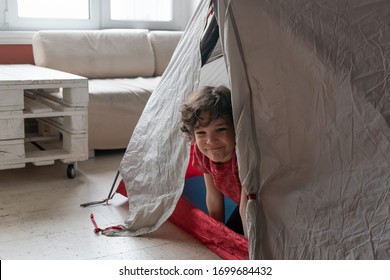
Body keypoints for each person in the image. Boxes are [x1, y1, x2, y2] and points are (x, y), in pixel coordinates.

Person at [180, 85, 248, 237]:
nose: (210, 141)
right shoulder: (202, 152)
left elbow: (247, 206)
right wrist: (217, 236)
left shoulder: (244, 154)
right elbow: (213, 195)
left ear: (236, 129)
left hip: (266, 208)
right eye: (201, 133)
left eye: (221, 129)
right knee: (228, 238)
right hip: (244, 207)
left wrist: (250, 246)